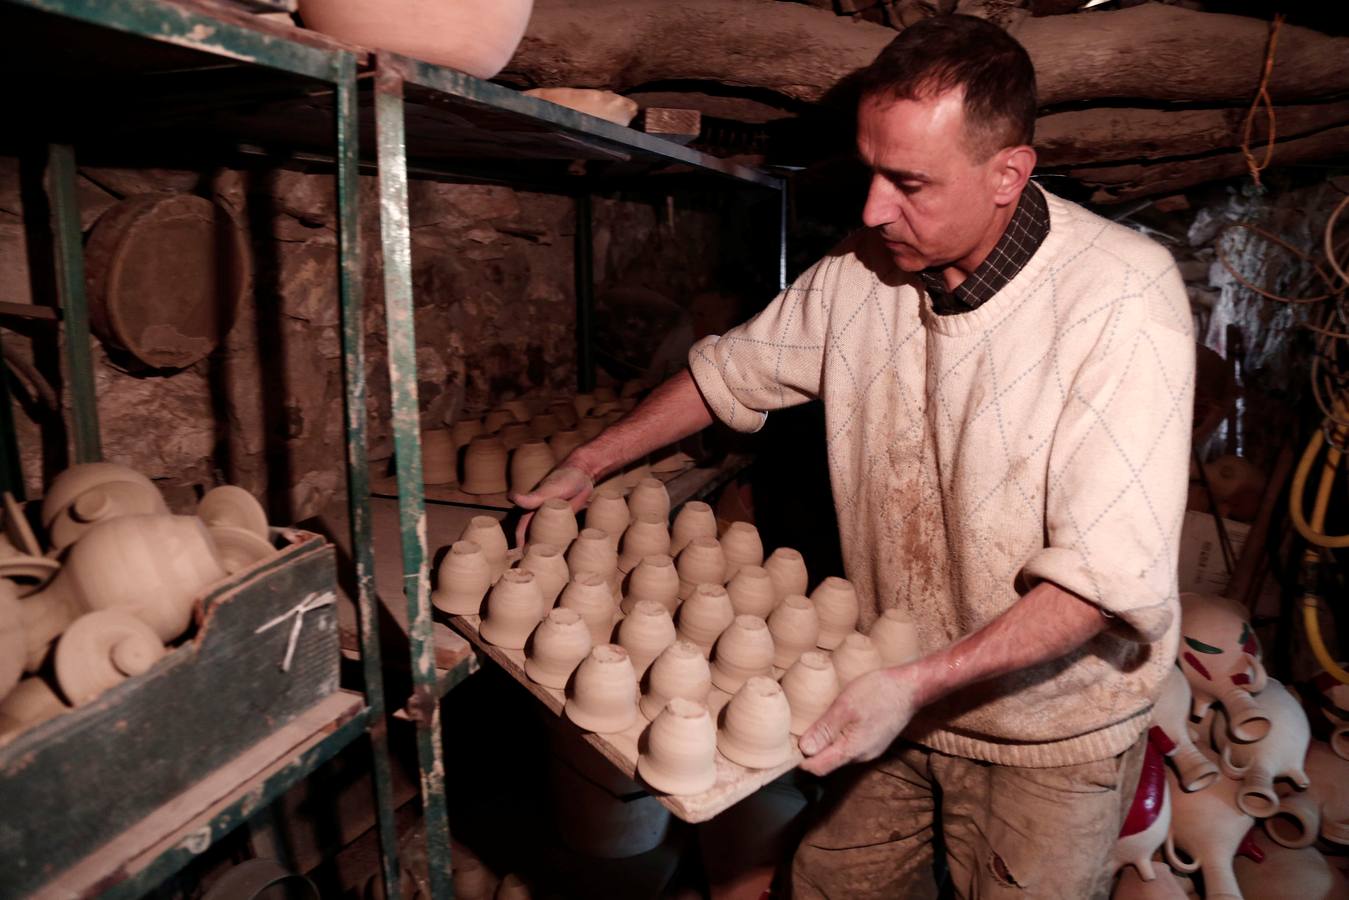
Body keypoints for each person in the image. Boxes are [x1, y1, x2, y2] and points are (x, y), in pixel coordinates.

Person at [514, 14, 1193, 900]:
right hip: (887, 693)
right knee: (833, 883)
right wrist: (590, 462)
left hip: (1045, 734)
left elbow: (1099, 584)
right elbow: (733, 372)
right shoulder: (863, 269)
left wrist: (915, 683)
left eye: (907, 182)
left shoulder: (1122, 301)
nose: (873, 209)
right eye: (869, 172)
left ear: (1006, 175)